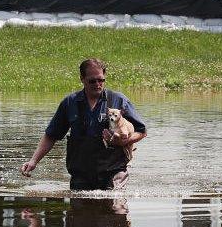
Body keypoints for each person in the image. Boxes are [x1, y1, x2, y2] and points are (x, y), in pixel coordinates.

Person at [20, 58, 147, 190]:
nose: (97, 84)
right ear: (82, 78)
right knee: (80, 209)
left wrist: (123, 141)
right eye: (92, 81)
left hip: (114, 171)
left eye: (101, 80)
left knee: (115, 206)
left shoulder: (119, 100)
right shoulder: (70, 103)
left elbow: (142, 131)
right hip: (80, 174)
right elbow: (51, 135)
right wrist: (33, 161)